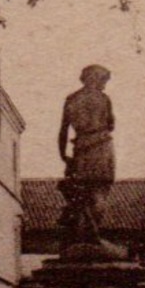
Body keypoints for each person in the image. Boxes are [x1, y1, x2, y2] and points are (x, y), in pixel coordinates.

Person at [57, 64, 115, 246]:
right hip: (102, 146)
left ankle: (86, 234)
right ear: (94, 78)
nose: (104, 85)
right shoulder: (104, 99)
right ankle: (93, 235)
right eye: (103, 80)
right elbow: (111, 124)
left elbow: (63, 131)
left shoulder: (72, 99)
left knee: (82, 193)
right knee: (100, 191)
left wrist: (63, 155)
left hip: (80, 148)